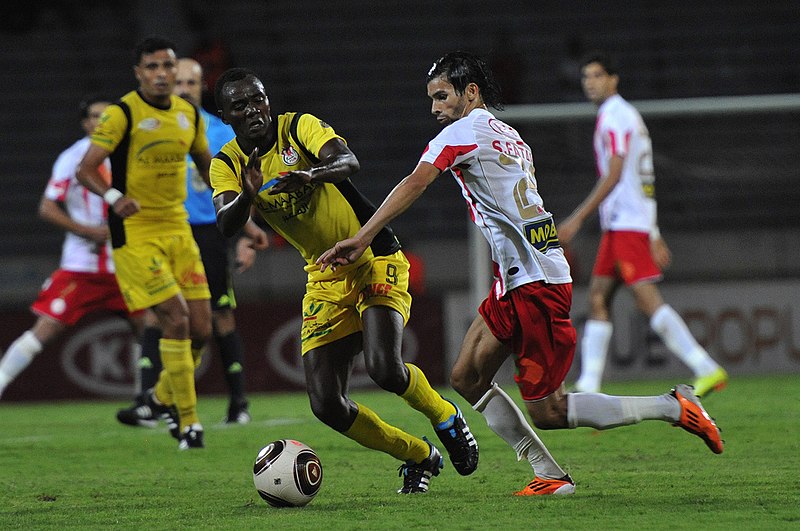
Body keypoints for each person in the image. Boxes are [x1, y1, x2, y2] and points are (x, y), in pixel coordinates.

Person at [317, 51, 724, 496]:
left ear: (470, 93)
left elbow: (417, 180)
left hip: (536, 283)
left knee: (549, 410)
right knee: (466, 376)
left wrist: (364, 236)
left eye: (442, 96)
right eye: (431, 98)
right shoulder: (508, 134)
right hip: (519, 277)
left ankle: (672, 406)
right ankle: (548, 475)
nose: (434, 107)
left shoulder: (463, 132)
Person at [210, 67, 479, 494]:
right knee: (326, 405)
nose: (254, 110)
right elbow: (225, 223)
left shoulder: (298, 127)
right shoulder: (227, 163)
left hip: (372, 252)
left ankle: (445, 415)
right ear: (225, 115)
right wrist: (247, 192)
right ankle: (417, 454)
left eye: (258, 98)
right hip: (323, 273)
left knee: (384, 368)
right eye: (240, 105)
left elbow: (348, 161)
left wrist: (312, 174)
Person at [557, 51, 729, 397]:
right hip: (627, 223)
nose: (590, 83)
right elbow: (643, 177)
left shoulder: (615, 116)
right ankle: (589, 386)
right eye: (586, 77)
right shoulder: (622, 115)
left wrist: (576, 219)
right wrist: (654, 231)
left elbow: (617, 173)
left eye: (597, 76)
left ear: (613, 79)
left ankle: (706, 367)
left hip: (626, 223)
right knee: (598, 297)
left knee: (646, 300)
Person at [115, 57, 268, 428]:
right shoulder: (151, 127)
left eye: (191, 82)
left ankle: (238, 403)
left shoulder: (220, 131)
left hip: (206, 231)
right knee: (157, 313)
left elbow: (245, 186)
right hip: (160, 230)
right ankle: (148, 402)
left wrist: (248, 234)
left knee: (220, 315)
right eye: (178, 81)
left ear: (201, 88)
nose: (183, 88)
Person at [77, 36, 213, 450]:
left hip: (179, 227)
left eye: (167, 67)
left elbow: (208, 166)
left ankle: (157, 400)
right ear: (139, 73)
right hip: (135, 232)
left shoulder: (188, 113)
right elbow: (87, 170)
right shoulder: (122, 114)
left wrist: (241, 212)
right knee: (175, 318)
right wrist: (115, 198)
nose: (160, 74)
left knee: (202, 331)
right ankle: (189, 424)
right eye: (151, 67)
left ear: (176, 71)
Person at [0, 95, 140, 398]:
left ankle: (148, 404)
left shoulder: (132, 155)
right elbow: (47, 207)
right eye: (94, 116)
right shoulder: (71, 158)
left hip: (126, 263)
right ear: (85, 122)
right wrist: (86, 230)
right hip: (82, 266)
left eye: (108, 116)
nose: (101, 121)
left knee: (152, 328)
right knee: (46, 328)